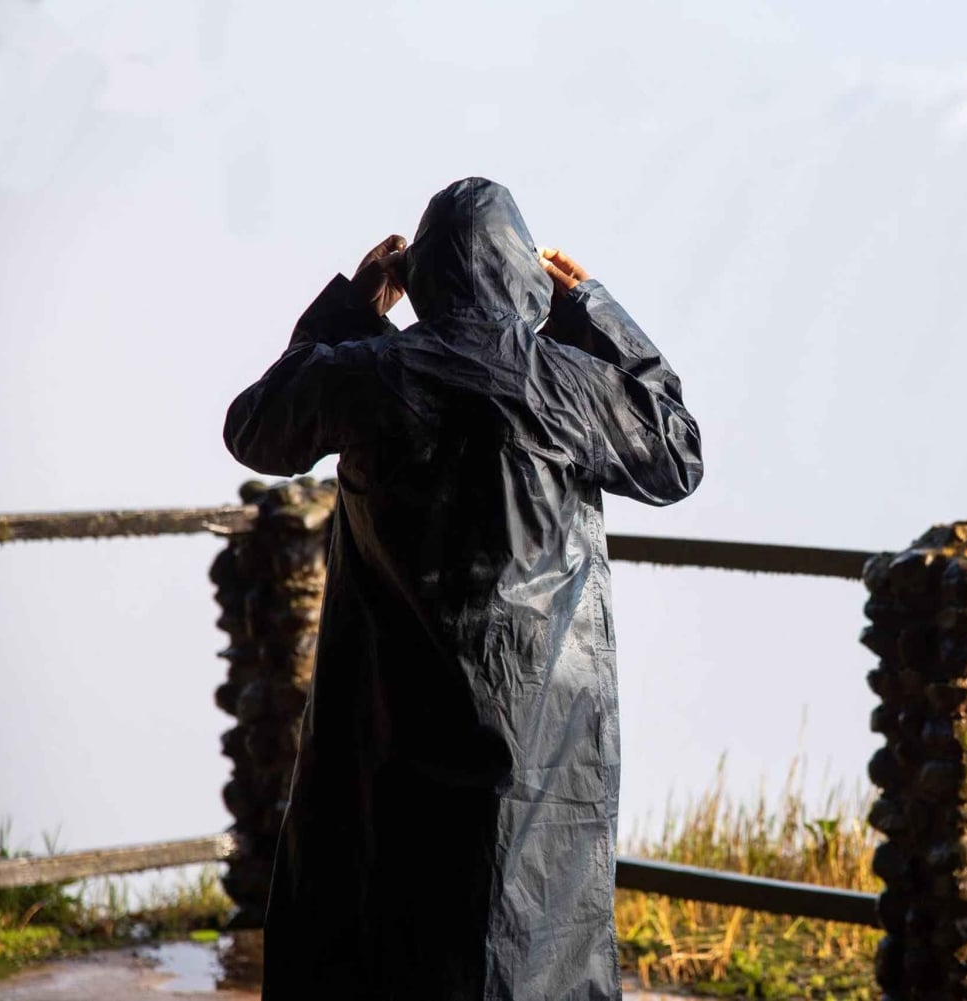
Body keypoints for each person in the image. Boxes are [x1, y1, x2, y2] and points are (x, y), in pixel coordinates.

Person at [223, 176, 703, 1000]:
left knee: (383, 936)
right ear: (523, 275)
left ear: (422, 279)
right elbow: (676, 452)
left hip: (388, 729)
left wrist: (351, 307)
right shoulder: (564, 383)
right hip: (540, 742)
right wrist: (589, 304)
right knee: (525, 946)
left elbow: (256, 426)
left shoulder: (369, 373)